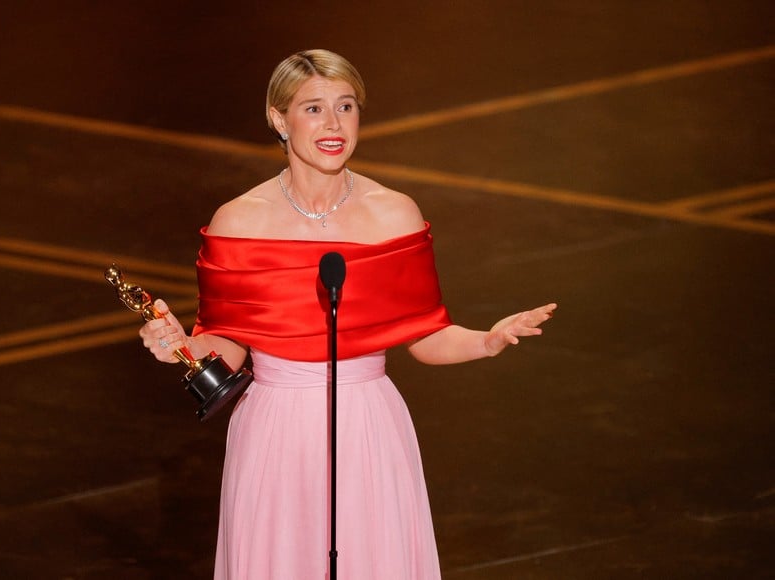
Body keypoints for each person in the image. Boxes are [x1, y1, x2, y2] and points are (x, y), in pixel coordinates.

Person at [139, 49, 556, 580]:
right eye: (313, 109)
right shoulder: (238, 221)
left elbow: (425, 335)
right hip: (275, 429)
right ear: (278, 118)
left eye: (346, 106)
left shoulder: (393, 214)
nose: (334, 124)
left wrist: (487, 340)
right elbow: (227, 342)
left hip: (368, 422)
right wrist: (181, 345)